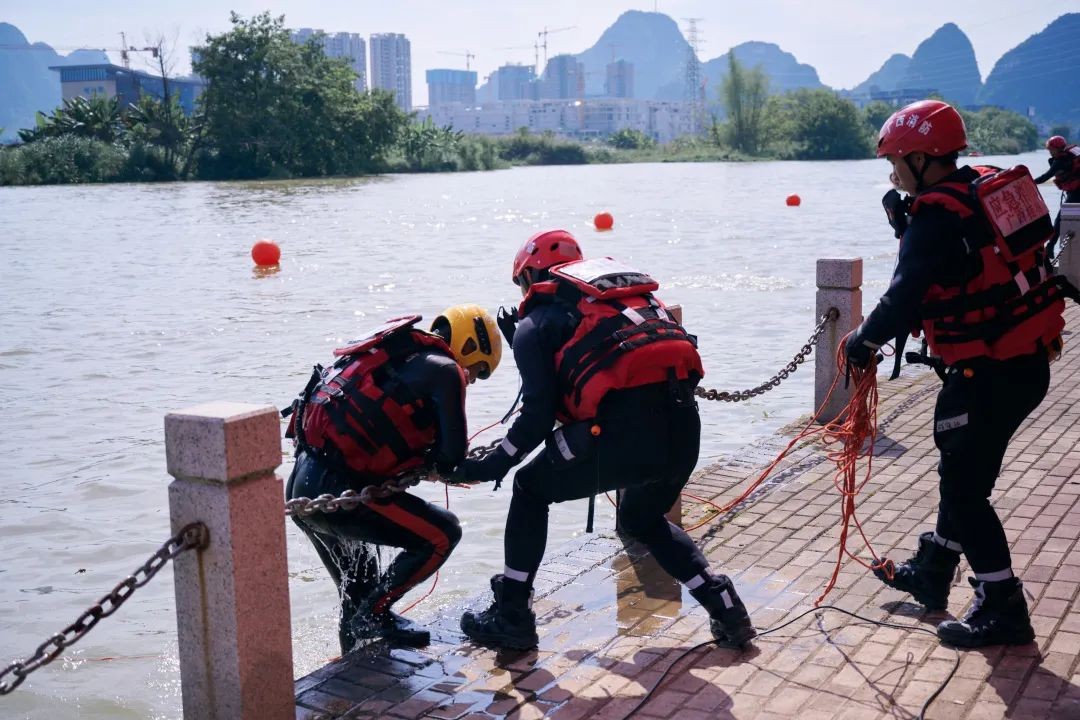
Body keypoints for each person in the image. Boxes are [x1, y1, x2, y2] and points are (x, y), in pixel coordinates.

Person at [454, 229, 756, 651]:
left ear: (531, 277)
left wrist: (493, 464)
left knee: (529, 488)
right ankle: (726, 607)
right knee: (643, 518)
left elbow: (538, 418)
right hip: (685, 431)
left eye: (521, 283)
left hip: (620, 438)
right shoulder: (625, 302)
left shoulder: (535, 323)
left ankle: (512, 616)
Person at [845, 99, 1068, 648]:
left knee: (965, 491)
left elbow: (902, 299)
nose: (893, 172)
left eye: (895, 160)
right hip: (1026, 361)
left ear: (921, 159)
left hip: (986, 373)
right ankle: (934, 570)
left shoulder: (937, 217)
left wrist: (861, 342)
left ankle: (1003, 606)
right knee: (964, 474)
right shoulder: (982, 189)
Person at [284, 305, 501, 653]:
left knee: (357, 594)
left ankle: (357, 663)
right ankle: (374, 615)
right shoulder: (446, 371)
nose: (472, 379)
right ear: (469, 346)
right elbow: (452, 458)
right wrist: (468, 469)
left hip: (301, 486)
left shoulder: (396, 354)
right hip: (338, 492)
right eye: (478, 370)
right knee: (443, 535)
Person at [1033, 135, 1080, 260]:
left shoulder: (1060, 161)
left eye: (1051, 149)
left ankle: (1050, 246)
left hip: (1077, 194)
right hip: (1075, 192)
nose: (1050, 152)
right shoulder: (1074, 152)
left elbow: (1045, 176)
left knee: (1060, 219)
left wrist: (1029, 182)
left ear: (1057, 149)